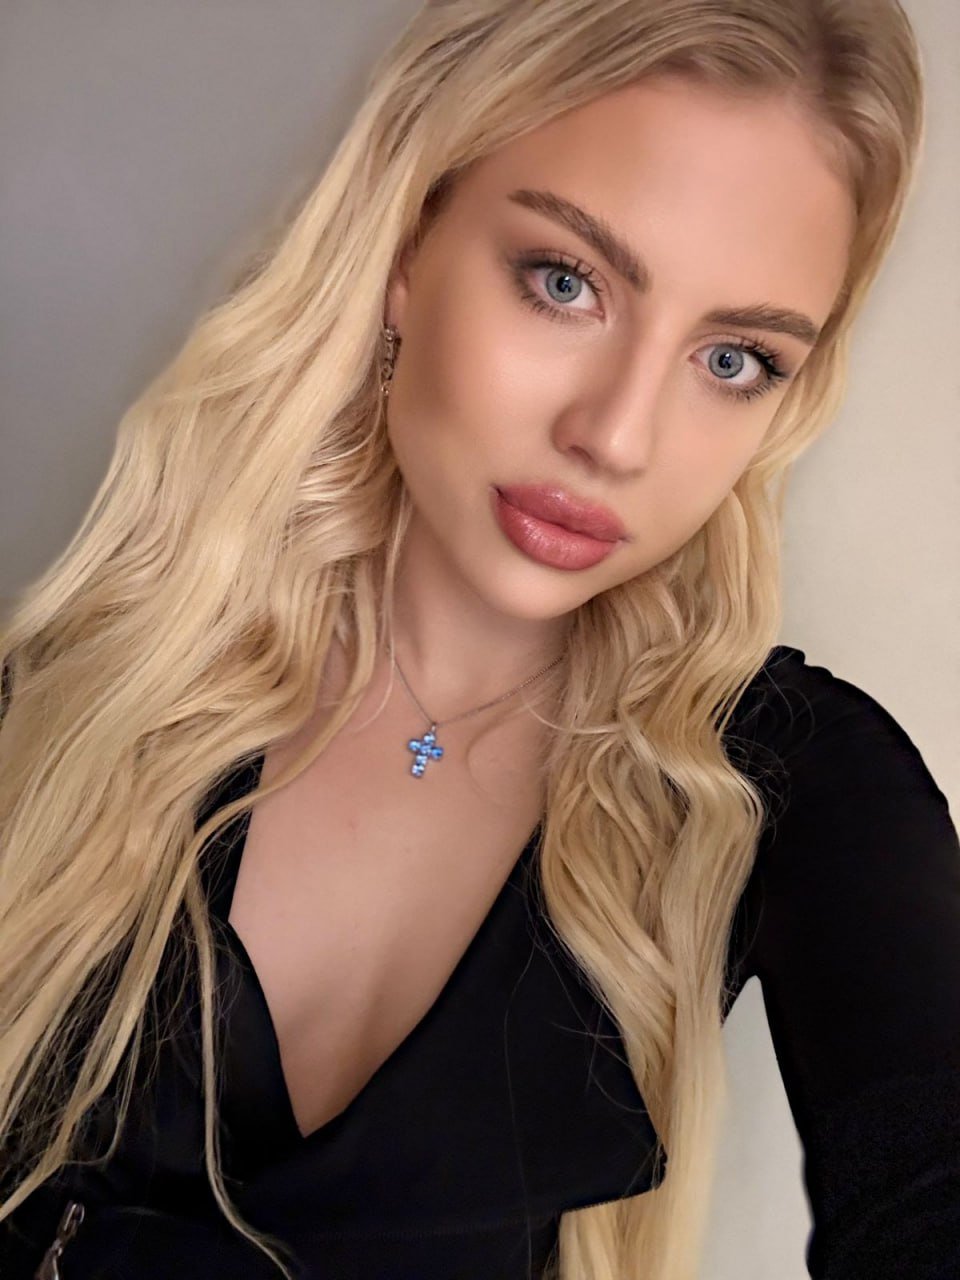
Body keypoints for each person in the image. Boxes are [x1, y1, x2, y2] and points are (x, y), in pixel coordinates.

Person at [1, 0, 957, 1276]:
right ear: (408, 244)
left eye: (733, 358)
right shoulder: (70, 700)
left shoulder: (790, 788)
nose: (616, 436)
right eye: (566, 282)